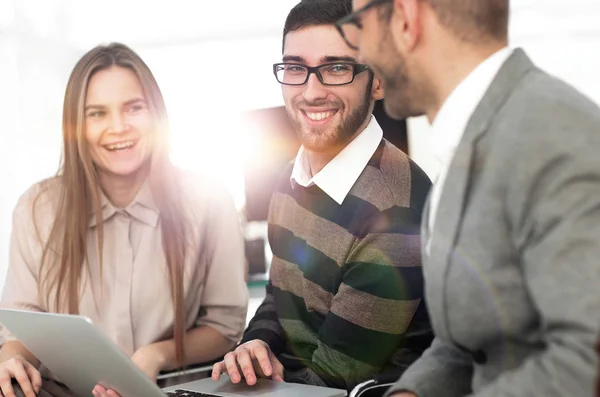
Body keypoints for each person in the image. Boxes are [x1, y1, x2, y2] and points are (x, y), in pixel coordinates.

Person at [337, 0, 600, 396]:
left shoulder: (555, 137)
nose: (361, 53)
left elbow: (588, 365)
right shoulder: (464, 147)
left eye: (359, 25)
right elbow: (468, 346)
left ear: (406, 19)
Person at [0, 43, 248, 397]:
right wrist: (11, 362)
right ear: (76, 126)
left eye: (134, 107)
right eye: (97, 113)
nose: (118, 127)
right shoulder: (37, 208)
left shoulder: (208, 201)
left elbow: (224, 328)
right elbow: (21, 328)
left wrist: (156, 354)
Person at [212, 0, 433, 391]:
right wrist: (254, 346)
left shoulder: (395, 208)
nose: (312, 92)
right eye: (296, 68)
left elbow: (333, 380)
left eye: (336, 68)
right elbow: (281, 298)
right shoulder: (289, 179)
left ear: (377, 80)